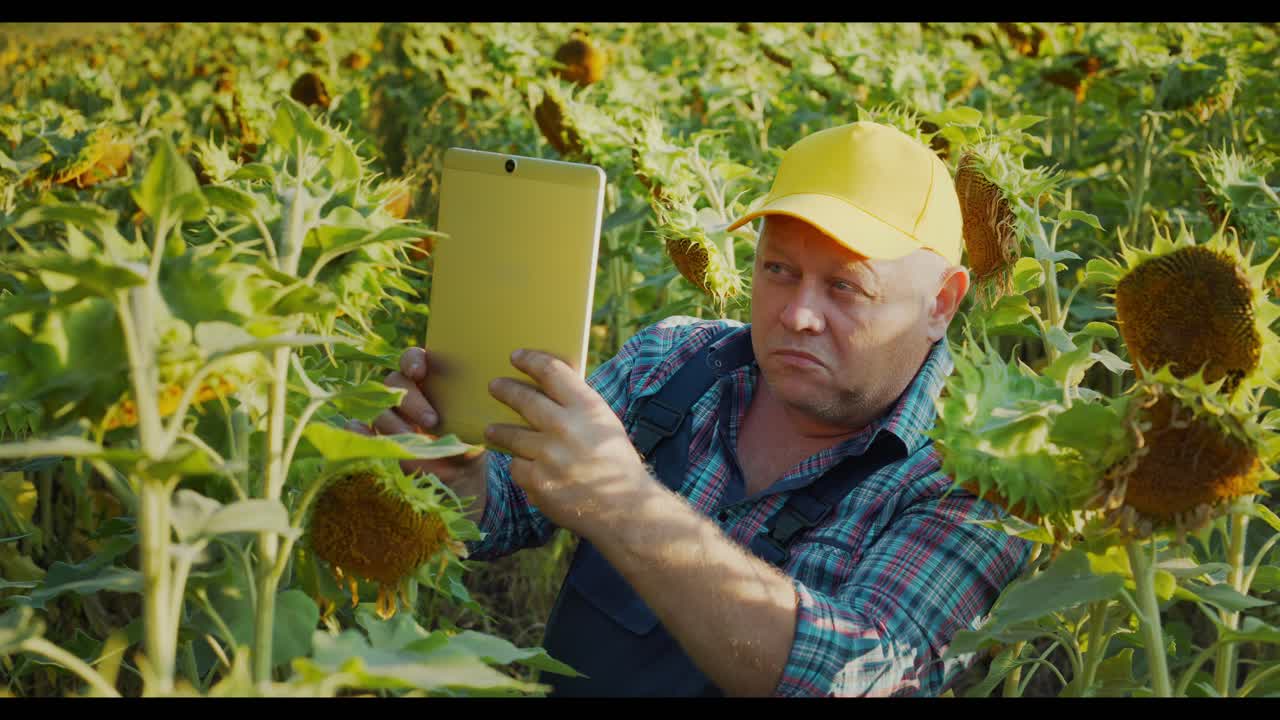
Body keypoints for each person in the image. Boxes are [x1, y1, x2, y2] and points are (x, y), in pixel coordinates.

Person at [355, 121, 1032, 697]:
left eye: (846, 287)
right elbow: (505, 511)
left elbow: (863, 673)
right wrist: (455, 476)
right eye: (778, 270)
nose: (797, 314)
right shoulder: (673, 364)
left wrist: (625, 504)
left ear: (942, 301)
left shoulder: (978, 478)